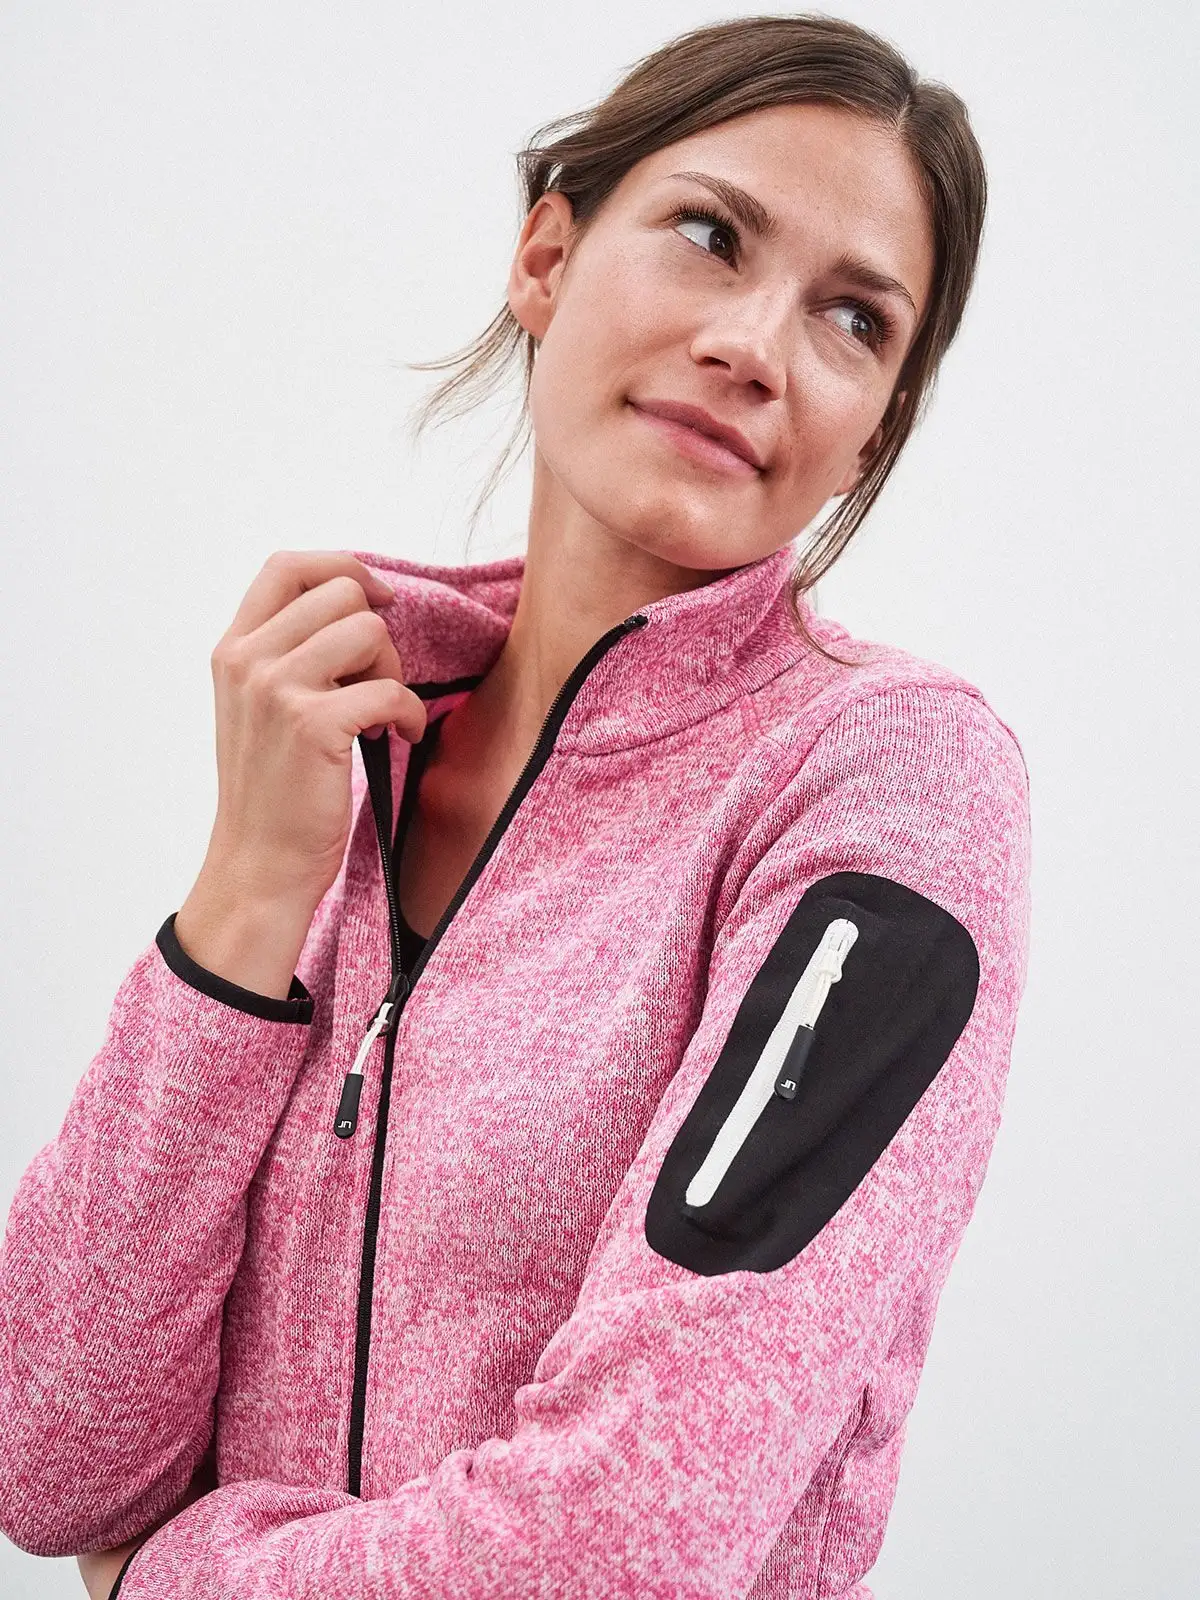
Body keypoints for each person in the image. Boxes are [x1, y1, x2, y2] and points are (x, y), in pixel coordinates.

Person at [0, 15, 1031, 1600]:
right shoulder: (347, 748)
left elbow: (625, 1541)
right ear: (545, 257)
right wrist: (248, 896)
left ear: (869, 432)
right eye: (712, 233)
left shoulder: (889, 787)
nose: (756, 345)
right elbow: (49, 1454)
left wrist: (166, 1580)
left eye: (852, 319)